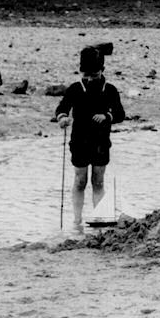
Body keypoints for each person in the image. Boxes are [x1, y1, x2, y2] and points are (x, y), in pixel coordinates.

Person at [56, 45, 127, 231]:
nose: (89, 79)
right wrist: (63, 118)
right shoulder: (75, 88)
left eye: (94, 75)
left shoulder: (110, 90)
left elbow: (120, 113)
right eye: (86, 75)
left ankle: (100, 220)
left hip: (101, 141)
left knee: (98, 180)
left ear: (102, 71)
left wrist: (107, 117)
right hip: (79, 140)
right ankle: (77, 221)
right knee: (80, 180)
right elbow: (62, 107)